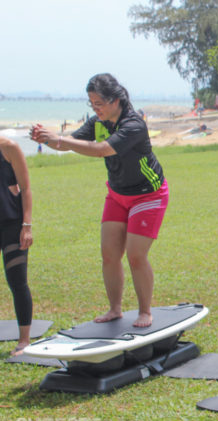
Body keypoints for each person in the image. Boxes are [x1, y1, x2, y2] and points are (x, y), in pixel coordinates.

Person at [31, 73, 168, 328]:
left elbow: (102, 149)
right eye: (91, 104)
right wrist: (46, 138)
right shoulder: (97, 122)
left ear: (115, 100)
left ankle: (145, 311)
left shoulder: (133, 125)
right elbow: (70, 144)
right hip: (117, 193)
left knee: (136, 256)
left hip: (148, 193)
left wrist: (59, 138)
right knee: (109, 254)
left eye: (99, 104)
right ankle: (115, 309)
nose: (95, 109)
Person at [0, 137, 33, 356]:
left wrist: (27, 226)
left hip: (12, 223)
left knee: (17, 280)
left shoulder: (8, 147)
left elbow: (26, 188)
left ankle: (24, 340)